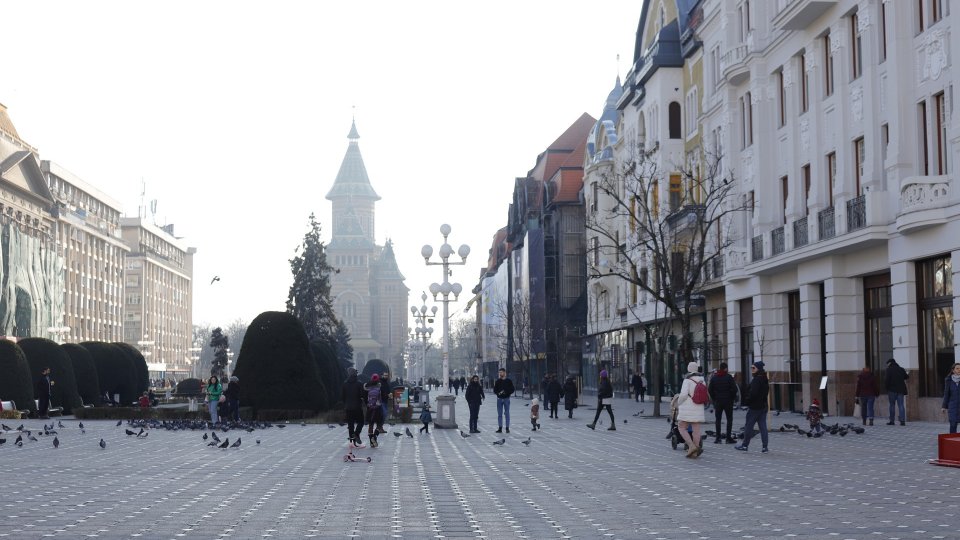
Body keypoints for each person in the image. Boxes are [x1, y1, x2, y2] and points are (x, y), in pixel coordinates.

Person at [735, 361, 770, 453]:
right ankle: (765, 447)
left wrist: (747, 401)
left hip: (755, 407)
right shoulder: (764, 378)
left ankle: (745, 445)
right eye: (751, 368)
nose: (752, 369)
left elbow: (753, 394)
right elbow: (766, 392)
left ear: (758, 369)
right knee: (763, 427)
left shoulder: (756, 380)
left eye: (754, 368)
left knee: (748, 426)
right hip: (763, 406)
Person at [676, 362, 706, 458]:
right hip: (698, 407)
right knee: (696, 429)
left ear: (689, 369)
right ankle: (696, 450)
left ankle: (691, 446)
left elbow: (684, 395)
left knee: (681, 427)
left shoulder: (687, 380)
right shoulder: (702, 380)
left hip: (687, 408)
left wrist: (678, 402)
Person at [708, 361, 738, 444]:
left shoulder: (714, 378)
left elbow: (710, 389)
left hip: (718, 401)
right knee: (729, 419)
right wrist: (732, 397)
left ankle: (718, 438)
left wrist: (714, 398)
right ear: (725, 369)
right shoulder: (729, 377)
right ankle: (728, 438)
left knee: (718, 419)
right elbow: (734, 389)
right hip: (728, 401)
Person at [341, 368, 366, 447]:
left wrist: (346, 403)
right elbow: (362, 395)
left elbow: (342, 396)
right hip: (357, 406)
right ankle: (356, 434)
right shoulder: (359, 383)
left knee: (350, 424)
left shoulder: (345, 384)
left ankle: (352, 442)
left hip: (348, 407)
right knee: (361, 422)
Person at [885, 358, 909, 425]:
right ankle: (902, 421)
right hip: (900, 390)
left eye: (887, 364)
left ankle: (892, 421)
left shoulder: (889, 370)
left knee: (892, 405)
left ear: (890, 363)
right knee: (901, 405)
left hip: (892, 390)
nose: (887, 365)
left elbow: (887, 380)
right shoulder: (901, 369)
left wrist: (886, 388)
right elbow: (906, 377)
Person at [365, 374, 385, 447]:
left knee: (370, 425)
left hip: (370, 408)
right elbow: (382, 398)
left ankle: (371, 442)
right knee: (379, 424)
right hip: (377, 409)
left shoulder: (367, 388)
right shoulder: (379, 388)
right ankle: (374, 437)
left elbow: (365, 398)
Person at [494, 368, 514, 434]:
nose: (500, 374)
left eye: (501, 372)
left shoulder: (509, 381)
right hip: (499, 399)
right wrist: (498, 393)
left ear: (505, 373)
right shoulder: (498, 381)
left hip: (506, 399)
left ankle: (507, 428)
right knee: (499, 414)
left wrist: (507, 392)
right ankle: (500, 428)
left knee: (507, 413)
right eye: (499, 372)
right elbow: (495, 390)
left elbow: (512, 389)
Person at [942, 363, 960, 434]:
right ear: (953, 370)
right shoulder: (948, 380)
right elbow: (946, 394)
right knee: (953, 424)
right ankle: (952, 441)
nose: (959, 370)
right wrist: (943, 406)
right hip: (952, 406)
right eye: (957, 368)